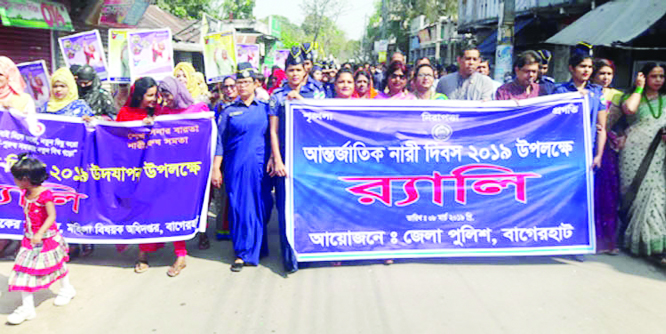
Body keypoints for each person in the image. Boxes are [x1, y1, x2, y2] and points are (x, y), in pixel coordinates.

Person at [268, 46, 326, 274]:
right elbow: (272, 131)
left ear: (305, 72)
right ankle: (289, 257)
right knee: (285, 208)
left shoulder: (317, 91)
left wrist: (300, 100)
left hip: (309, 158)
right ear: (286, 72)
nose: (294, 74)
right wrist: (277, 159)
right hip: (286, 159)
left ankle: (308, 252)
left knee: (308, 206)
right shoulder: (276, 96)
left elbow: (322, 120)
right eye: (290, 70)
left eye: (298, 70)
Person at [212, 63, 273, 272]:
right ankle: (242, 253)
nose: (243, 86)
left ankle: (258, 246)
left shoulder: (265, 108)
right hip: (236, 166)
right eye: (240, 82)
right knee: (239, 208)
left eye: (247, 82)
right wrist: (216, 168)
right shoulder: (229, 112)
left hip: (260, 167)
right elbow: (220, 141)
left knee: (261, 206)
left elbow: (273, 137)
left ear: (255, 84)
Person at [6, 153, 76, 325]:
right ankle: (27, 308)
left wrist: (40, 233)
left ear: (26, 179)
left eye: (16, 178)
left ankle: (67, 290)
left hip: (46, 239)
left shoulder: (45, 195)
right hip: (29, 240)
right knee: (23, 272)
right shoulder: (26, 193)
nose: (14, 181)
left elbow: (51, 216)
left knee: (58, 265)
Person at [619, 63, 666, 261]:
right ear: (643, 77)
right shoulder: (631, 97)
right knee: (634, 195)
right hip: (633, 154)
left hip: (658, 155)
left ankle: (652, 242)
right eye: (653, 76)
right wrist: (639, 87)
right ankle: (633, 240)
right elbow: (629, 110)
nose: (658, 80)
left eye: (661, 76)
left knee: (654, 197)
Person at [553, 49, 607, 171]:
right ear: (572, 68)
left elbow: (601, 128)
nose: (586, 70)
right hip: (565, 149)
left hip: (588, 149)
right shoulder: (560, 91)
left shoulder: (596, 92)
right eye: (582, 66)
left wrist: (598, 155)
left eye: (589, 67)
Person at [591, 58, 623, 255]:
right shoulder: (587, 93)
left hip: (608, 149)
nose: (605, 77)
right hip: (586, 144)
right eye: (602, 73)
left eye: (609, 73)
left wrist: (623, 135)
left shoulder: (619, 96)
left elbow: (627, 120)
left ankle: (607, 241)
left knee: (608, 195)